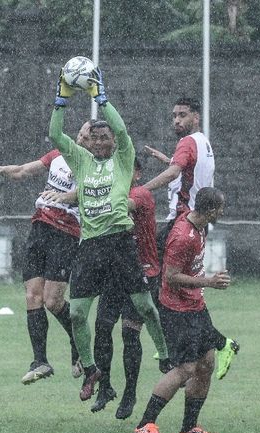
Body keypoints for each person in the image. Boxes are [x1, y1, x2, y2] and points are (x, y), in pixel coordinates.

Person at [50, 67, 170, 401]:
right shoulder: (81, 160)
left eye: (106, 138)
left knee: (145, 307)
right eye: (96, 137)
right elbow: (55, 135)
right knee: (76, 312)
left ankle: (163, 353)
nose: (101, 141)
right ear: (89, 141)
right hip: (90, 245)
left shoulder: (123, 158)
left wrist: (99, 97)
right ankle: (91, 370)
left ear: (114, 142)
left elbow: (119, 127)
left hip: (120, 242)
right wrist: (62, 97)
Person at [0, 132, 90, 384]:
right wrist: (1, 170)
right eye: (81, 133)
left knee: (52, 301)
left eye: (87, 136)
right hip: (40, 227)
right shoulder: (57, 156)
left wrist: (64, 197)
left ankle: (78, 343)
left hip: (66, 232)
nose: (81, 138)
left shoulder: (92, 165)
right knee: (32, 295)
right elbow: (22, 171)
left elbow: (88, 192)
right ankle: (40, 361)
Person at [143, 98, 238, 381]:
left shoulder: (187, 143)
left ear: (196, 117)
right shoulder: (204, 143)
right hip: (195, 224)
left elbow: (175, 172)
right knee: (182, 291)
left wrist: (140, 192)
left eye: (182, 115)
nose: (176, 121)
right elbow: (186, 172)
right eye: (173, 116)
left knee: (155, 281)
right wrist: (166, 160)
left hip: (182, 222)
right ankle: (212, 345)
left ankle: (171, 348)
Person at [134, 187, 230, 433]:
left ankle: (189, 428)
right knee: (185, 368)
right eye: (220, 208)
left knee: (207, 363)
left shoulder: (198, 224)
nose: (222, 211)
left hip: (195, 307)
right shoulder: (183, 236)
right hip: (177, 311)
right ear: (210, 210)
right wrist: (208, 281)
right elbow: (171, 276)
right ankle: (145, 425)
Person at [89, 157, 160, 418]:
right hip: (114, 274)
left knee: (130, 334)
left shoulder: (140, 194)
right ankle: (105, 387)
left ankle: (129, 393)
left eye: (125, 169)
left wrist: (86, 199)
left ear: (137, 174)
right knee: (102, 328)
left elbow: (118, 207)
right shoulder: (109, 192)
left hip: (142, 273)